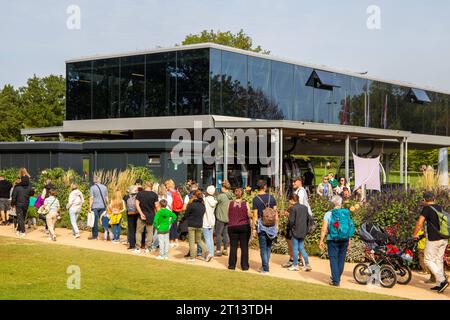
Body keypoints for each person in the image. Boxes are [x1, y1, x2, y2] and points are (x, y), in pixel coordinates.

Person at [413, 192, 449, 293]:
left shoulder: (427, 209)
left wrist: (414, 234)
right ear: (433, 198)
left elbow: (420, 222)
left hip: (434, 239)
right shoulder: (440, 207)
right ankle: (439, 284)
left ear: (425, 200)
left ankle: (442, 280)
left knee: (428, 260)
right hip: (444, 238)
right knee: (438, 260)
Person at [319, 195, 352, 286]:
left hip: (332, 239)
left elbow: (324, 228)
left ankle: (335, 281)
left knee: (333, 259)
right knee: (341, 259)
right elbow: (349, 227)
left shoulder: (328, 214)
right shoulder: (346, 213)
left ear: (332, 203)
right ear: (341, 203)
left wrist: (321, 240)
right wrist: (349, 239)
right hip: (344, 239)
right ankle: (337, 277)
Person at [282, 177, 311, 268]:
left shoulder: (301, 192)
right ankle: (302, 262)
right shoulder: (299, 191)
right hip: (301, 223)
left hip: (297, 223)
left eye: (294, 181)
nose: (293, 183)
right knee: (299, 246)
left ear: (299, 182)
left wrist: (289, 214)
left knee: (295, 245)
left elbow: (299, 208)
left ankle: (296, 262)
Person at [252, 179, 278, 274]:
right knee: (268, 247)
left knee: (263, 248)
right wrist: (277, 225)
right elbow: (275, 213)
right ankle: (265, 265)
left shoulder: (255, 199)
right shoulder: (272, 197)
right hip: (271, 225)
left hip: (262, 225)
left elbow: (255, 216)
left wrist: (254, 229)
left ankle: (265, 268)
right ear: (265, 187)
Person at [184, 190, 213, 262]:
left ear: (194, 196)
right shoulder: (203, 205)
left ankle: (192, 257)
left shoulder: (191, 205)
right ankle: (208, 253)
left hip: (191, 224)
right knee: (199, 240)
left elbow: (186, 215)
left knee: (191, 241)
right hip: (199, 224)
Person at [227, 188, 252, 271]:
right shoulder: (246, 203)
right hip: (244, 226)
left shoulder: (230, 203)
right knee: (244, 246)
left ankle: (231, 265)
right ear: (242, 194)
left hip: (232, 226)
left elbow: (228, 214)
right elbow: (249, 215)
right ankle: (244, 266)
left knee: (233, 246)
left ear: (235, 194)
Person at [287, 194, 312, 272]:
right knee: (301, 248)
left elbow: (291, 221)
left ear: (292, 200)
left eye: (290, 200)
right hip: (303, 231)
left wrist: (290, 228)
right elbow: (309, 219)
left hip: (295, 231)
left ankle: (295, 265)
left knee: (295, 248)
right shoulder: (305, 207)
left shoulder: (293, 208)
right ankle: (307, 264)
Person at [135, 181, 158, 254]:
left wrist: (141, 213)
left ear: (145, 185)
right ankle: (148, 248)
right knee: (150, 233)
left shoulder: (140, 193)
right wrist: (157, 216)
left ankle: (138, 248)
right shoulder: (154, 195)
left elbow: (137, 205)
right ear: (151, 186)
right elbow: (157, 207)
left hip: (141, 215)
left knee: (138, 232)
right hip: (151, 216)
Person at [215, 180, 233, 257]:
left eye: (221, 187)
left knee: (218, 234)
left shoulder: (221, 196)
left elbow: (214, 201)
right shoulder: (231, 195)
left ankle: (218, 250)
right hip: (228, 218)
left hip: (220, 218)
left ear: (224, 187)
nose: (220, 188)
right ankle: (225, 249)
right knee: (226, 234)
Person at [89, 176, 109, 240]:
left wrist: (89, 207)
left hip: (95, 206)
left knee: (95, 221)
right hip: (103, 206)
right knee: (104, 220)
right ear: (99, 180)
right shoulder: (105, 187)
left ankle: (95, 236)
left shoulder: (92, 188)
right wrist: (107, 205)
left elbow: (91, 198)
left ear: (94, 181)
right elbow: (106, 198)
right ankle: (106, 235)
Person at [164, 179, 180, 248]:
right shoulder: (176, 191)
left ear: (168, 185)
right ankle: (176, 240)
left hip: (170, 209)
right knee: (175, 225)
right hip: (176, 209)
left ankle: (171, 241)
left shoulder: (168, 192)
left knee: (170, 226)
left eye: (166, 185)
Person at [203, 185, 217, 258]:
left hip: (205, 220)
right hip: (211, 220)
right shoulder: (214, 200)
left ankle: (209, 254)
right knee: (210, 238)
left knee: (207, 239)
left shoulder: (205, 199)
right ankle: (211, 253)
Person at [124, 185, 139, 250]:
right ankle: (137, 244)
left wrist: (128, 192)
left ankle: (131, 244)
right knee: (137, 229)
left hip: (129, 213)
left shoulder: (126, 197)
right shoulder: (138, 196)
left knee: (131, 229)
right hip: (137, 213)